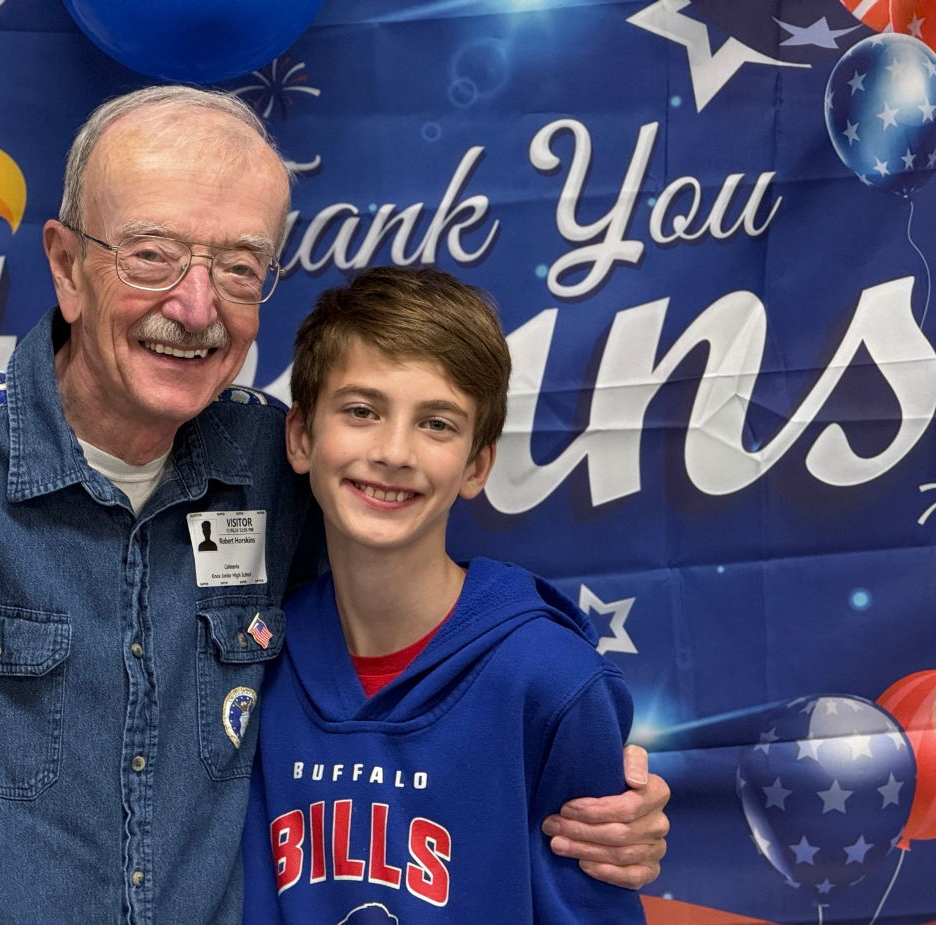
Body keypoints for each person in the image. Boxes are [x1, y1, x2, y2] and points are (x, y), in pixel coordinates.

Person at [0, 87, 666, 925]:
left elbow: (405, 660)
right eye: (152, 255)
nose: (195, 308)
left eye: (239, 268)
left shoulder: (285, 463)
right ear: (68, 266)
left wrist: (600, 784)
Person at [240, 267, 646, 923]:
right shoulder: (249, 666)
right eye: (362, 411)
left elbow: (596, 894)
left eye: (436, 423)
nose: (395, 451)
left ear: (477, 466)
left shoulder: (549, 678)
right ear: (300, 437)